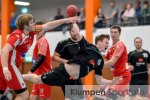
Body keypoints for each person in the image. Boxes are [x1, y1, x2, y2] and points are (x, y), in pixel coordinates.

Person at [23, 23, 123, 98]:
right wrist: (73, 20)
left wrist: (111, 81)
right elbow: (77, 33)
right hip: (62, 73)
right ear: (99, 42)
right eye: (106, 42)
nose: (108, 45)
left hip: (72, 80)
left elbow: (99, 80)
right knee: (37, 79)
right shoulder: (89, 47)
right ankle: (20, 77)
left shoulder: (100, 61)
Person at [0, 13, 77, 100]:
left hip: (8, 66)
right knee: (24, 95)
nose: (34, 24)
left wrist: (66, 20)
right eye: (32, 22)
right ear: (25, 25)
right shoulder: (18, 35)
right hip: (8, 64)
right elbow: (4, 50)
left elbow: (48, 25)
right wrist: (5, 68)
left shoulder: (32, 31)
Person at [53, 24, 83, 99]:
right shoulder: (63, 43)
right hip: (66, 75)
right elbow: (55, 57)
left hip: (77, 76)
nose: (75, 33)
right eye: (73, 31)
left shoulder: (82, 44)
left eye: (77, 31)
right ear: (69, 32)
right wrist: (66, 61)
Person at [104, 25, 131, 99]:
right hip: (116, 77)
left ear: (119, 34)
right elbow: (107, 60)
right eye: (111, 32)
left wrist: (97, 65)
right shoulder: (110, 47)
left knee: (110, 93)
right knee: (122, 97)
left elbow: (112, 62)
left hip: (123, 75)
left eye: (115, 32)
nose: (113, 34)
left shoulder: (120, 45)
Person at [29, 22, 51, 100]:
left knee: (44, 98)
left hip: (43, 75)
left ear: (44, 31)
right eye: (36, 29)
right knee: (32, 97)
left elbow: (41, 57)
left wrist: (31, 71)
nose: (37, 31)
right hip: (37, 76)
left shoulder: (42, 40)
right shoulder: (38, 42)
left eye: (40, 29)